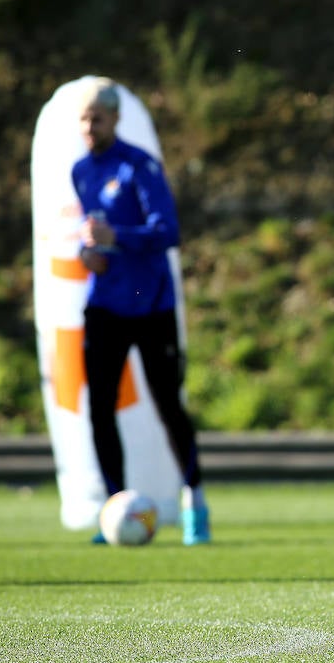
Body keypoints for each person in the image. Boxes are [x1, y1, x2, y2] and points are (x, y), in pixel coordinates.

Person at [71, 78, 210, 546]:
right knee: (99, 409)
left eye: (97, 118)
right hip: (104, 305)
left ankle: (195, 502)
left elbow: (167, 231)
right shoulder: (80, 170)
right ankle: (115, 507)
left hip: (150, 305)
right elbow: (91, 233)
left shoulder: (139, 166)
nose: (89, 127)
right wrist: (88, 254)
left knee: (168, 405)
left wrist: (118, 237)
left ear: (115, 118)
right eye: (83, 119)